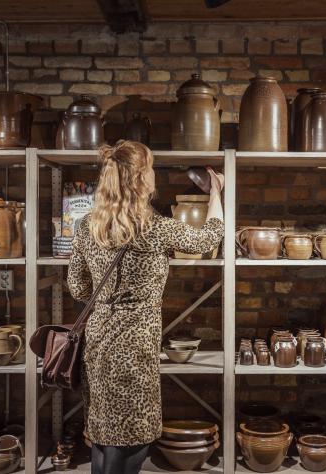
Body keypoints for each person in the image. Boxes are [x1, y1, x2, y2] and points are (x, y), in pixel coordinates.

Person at [67, 140, 225, 474]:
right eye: (151, 168)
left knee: (103, 436)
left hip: (97, 342)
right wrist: (216, 194)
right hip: (136, 343)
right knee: (133, 439)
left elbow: (78, 287)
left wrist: (109, 299)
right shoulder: (154, 228)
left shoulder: (85, 226)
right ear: (141, 179)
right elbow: (207, 240)